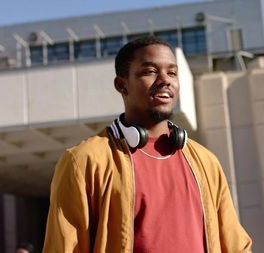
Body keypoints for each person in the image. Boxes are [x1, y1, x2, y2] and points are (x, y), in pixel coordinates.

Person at [43, 36, 252, 253]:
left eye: (172, 73)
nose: (165, 80)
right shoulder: (84, 161)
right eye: (150, 71)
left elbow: (236, 246)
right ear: (121, 85)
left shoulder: (206, 161)